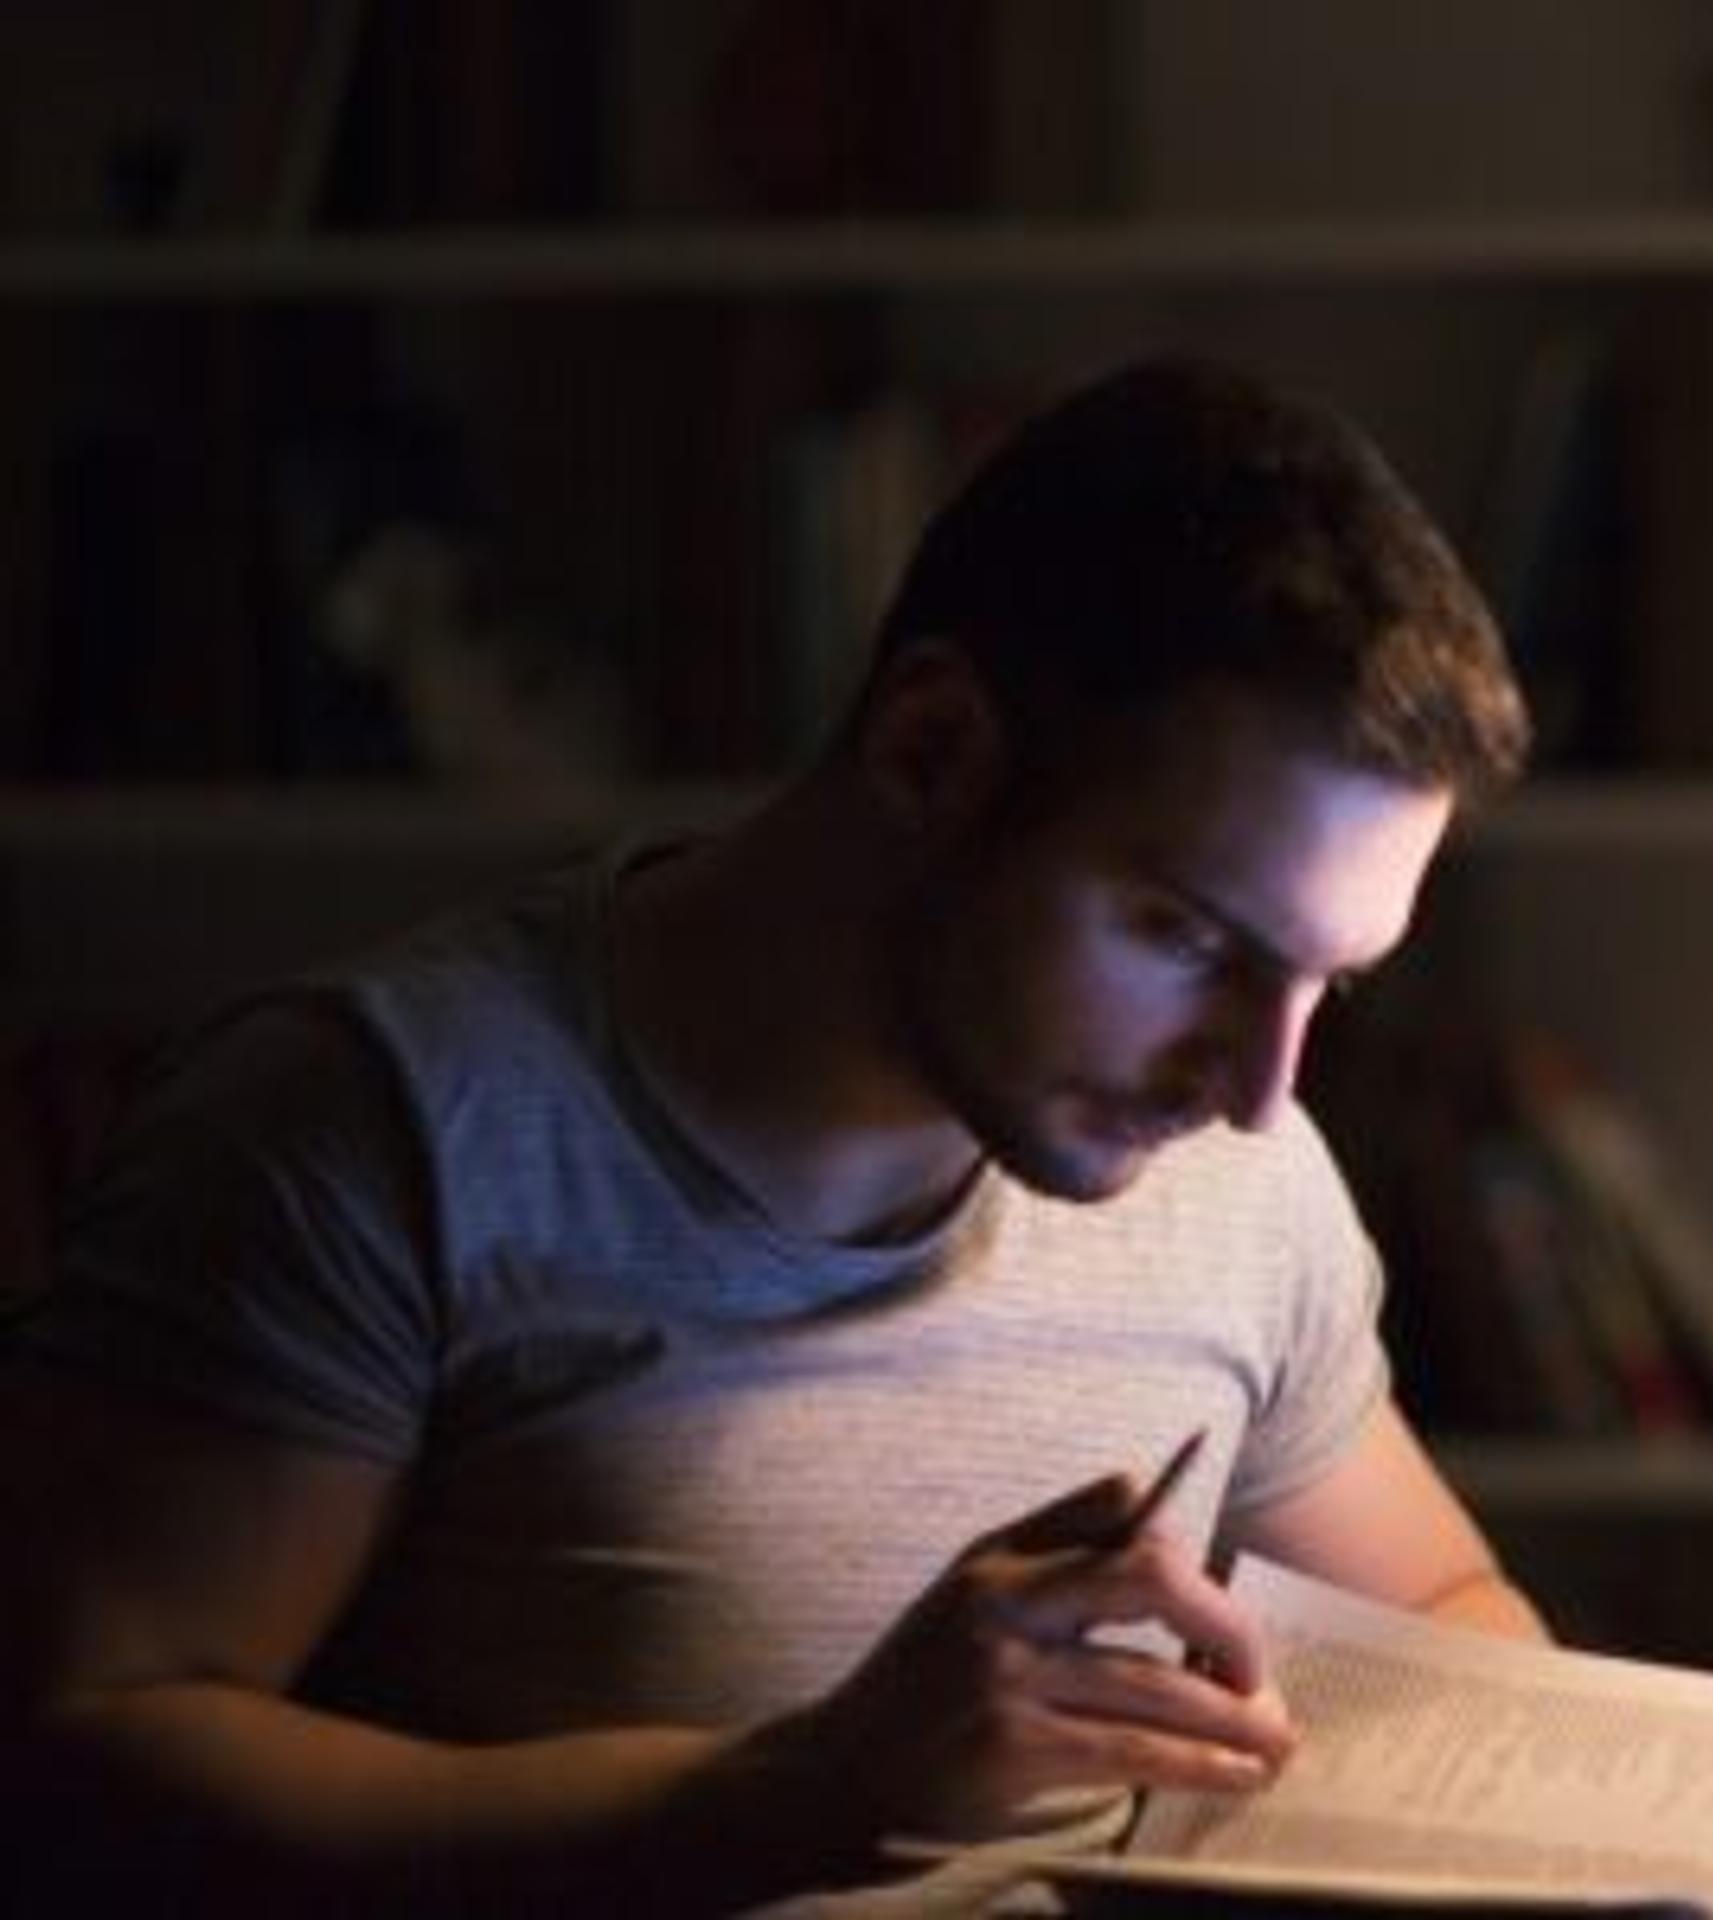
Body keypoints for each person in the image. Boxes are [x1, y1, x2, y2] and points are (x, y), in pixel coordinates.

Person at [0, 355, 1547, 1914]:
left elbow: (1441, 1607)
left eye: (1327, 983)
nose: (1259, 1089)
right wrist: (795, 1799)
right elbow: (76, 1775)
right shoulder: (375, 1130)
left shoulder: (1238, 1176)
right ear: (932, 750)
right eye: (1195, 940)